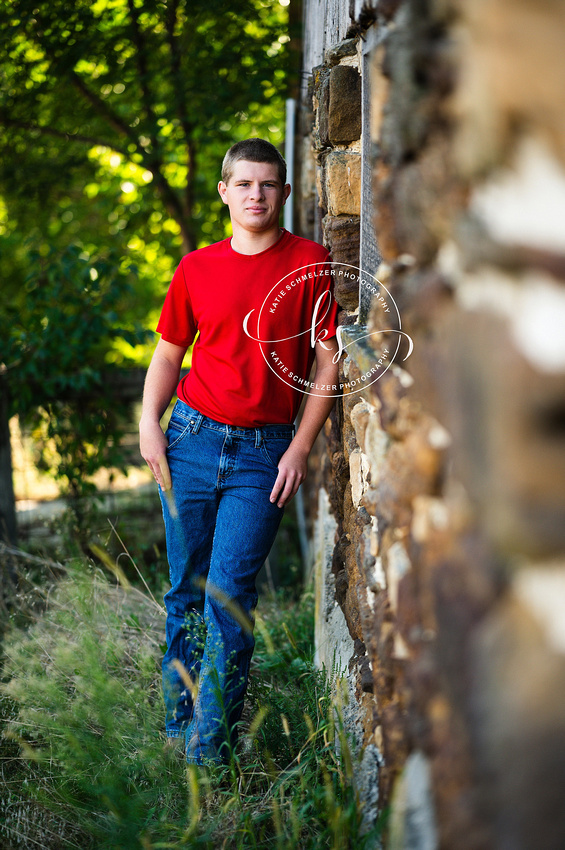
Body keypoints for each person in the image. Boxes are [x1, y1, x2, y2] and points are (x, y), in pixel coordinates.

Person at [139, 137, 340, 765]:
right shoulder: (196, 267)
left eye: (268, 184)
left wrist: (300, 446)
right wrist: (150, 422)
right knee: (185, 591)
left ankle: (210, 750)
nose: (257, 195)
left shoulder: (312, 261)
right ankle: (177, 725)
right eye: (244, 184)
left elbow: (328, 358)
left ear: (283, 191)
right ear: (225, 191)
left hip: (265, 453)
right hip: (191, 440)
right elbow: (170, 352)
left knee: (229, 595)